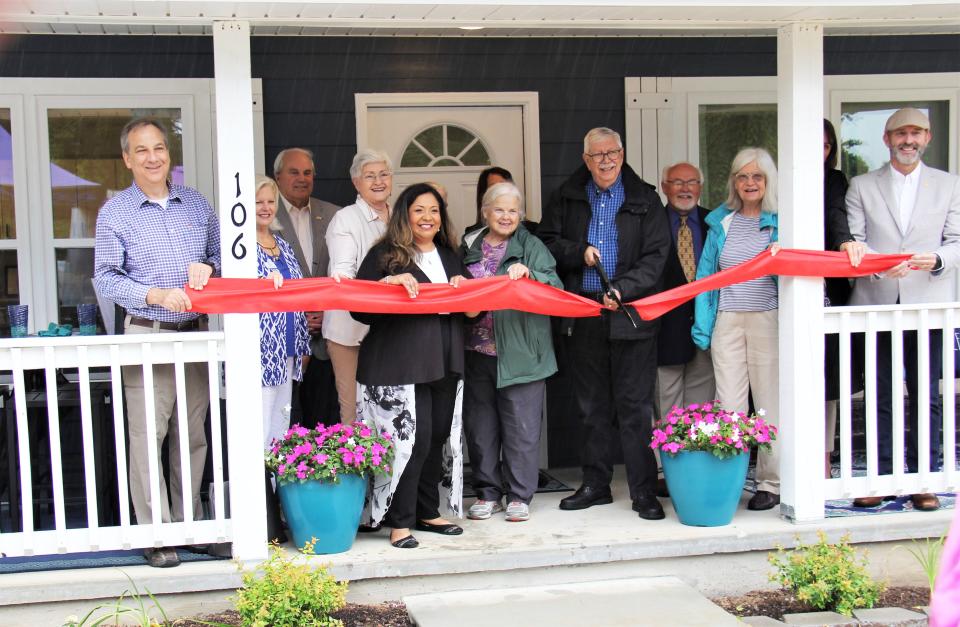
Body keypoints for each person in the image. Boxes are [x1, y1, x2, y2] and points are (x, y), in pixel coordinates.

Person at [93, 117, 219, 568]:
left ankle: (191, 524)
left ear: (170, 154)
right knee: (149, 434)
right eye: (142, 150)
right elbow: (105, 276)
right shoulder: (116, 212)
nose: (153, 157)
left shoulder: (197, 205)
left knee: (193, 436)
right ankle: (157, 533)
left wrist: (208, 269)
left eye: (160, 148)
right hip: (148, 333)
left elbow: (221, 259)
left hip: (194, 335)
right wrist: (155, 294)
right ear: (127, 158)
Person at [539, 127, 669, 521]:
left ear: (622, 153)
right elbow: (547, 242)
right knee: (590, 406)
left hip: (630, 312)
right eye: (598, 155)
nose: (606, 160)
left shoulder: (645, 197)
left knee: (634, 407)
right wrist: (580, 252)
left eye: (612, 153)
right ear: (586, 159)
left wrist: (624, 290)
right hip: (583, 311)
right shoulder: (567, 195)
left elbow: (656, 257)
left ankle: (643, 491)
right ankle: (596, 485)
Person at [352, 182, 479, 548]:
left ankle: (427, 511)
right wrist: (388, 284)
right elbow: (358, 306)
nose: (428, 217)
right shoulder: (385, 255)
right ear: (405, 214)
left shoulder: (449, 255)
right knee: (413, 441)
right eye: (419, 209)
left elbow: (473, 311)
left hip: (444, 359)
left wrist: (465, 291)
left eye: (434, 210)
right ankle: (400, 521)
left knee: (436, 435)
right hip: (399, 364)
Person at [846, 108, 960, 511]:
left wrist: (937, 258)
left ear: (927, 138)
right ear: (887, 139)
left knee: (926, 394)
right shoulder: (861, 185)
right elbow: (855, 241)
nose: (908, 140)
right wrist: (879, 265)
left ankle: (923, 480)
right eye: (900, 133)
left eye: (916, 133)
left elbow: (957, 240)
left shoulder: (950, 184)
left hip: (928, 303)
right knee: (880, 395)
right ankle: (881, 476)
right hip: (877, 301)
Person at [460, 182, 562, 523]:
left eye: (513, 210)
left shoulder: (531, 245)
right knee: (480, 427)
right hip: (476, 351)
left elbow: (556, 287)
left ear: (521, 214)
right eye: (499, 209)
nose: (506, 216)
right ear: (485, 211)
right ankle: (487, 492)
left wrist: (530, 275)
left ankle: (519, 494)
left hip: (522, 354)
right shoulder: (469, 243)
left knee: (521, 428)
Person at [691, 147, 781, 512]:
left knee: (769, 406)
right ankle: (731, 480)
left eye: (757, 176)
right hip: (727, 320)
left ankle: (770, 483)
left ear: (768, 181)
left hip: (766, 319)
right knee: (729, 407)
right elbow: (706, 276)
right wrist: (703, 325)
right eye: (742, 176)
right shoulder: (721, 222)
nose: (749, 183)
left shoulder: (781, 221)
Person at [323, 149, 393, 424]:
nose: (378, 181)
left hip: (391, 332)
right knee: (355, 411)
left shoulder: (401, 216)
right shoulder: (346, 218)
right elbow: (343, 273)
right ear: (356, 183)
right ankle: (358, 469)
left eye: (384, 174)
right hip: (350, 333)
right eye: (370, 176)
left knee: (389, 409)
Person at [273, 147, 340, 428]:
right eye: (294, 172)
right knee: (285, 420)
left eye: (307, 172)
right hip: (284, 338)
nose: (302, 178)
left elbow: (343, 271)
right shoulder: (264, 213)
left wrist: (328, 312)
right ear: (277, 177)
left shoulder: (333, 214)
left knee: (324, 420)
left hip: (326, 337)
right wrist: (299, 315)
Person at [822, 119, 867, 477]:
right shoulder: (778, 180)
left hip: (831, 289)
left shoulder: (834, 180)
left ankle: (822, 455)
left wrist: (844, 243)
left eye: (824, 145)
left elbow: (838, 215)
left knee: (829, 375)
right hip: (780, 288)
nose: (817, 152)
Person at [656, 162, 716, 418]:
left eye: (691, 182)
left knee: (700, 411)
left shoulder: (714, 222)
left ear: (700, 188)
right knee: (666, 409)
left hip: (706, 329)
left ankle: (695, 458)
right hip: (664, 330)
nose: (685, 189)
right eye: (677, 182)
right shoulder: (650, 223)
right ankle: (665, 460)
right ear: (664, 187)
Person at [255, 175, 310, 448]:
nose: (266, 207)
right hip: (261, 352)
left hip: (288, 349)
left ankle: (275, 488)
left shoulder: (283, 245)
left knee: (280, 425)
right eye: (258, 202)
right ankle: (259, 489)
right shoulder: (241, 251)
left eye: (270, 201)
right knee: (259, 426)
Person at [465, 167, 513, 235]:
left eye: (505, 187)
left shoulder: (530, 231)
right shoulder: (472, 235)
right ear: (483, 195)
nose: (501, 192)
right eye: (494, 187)